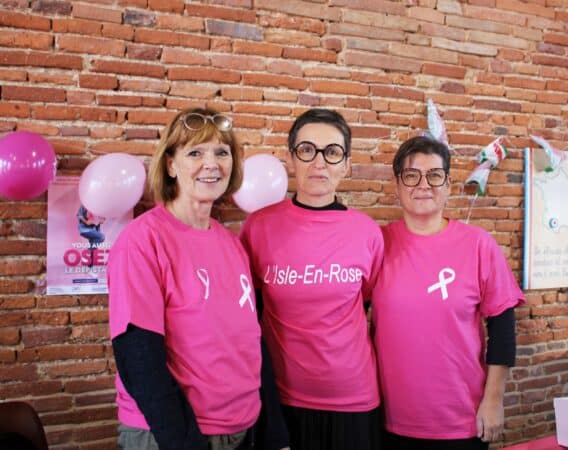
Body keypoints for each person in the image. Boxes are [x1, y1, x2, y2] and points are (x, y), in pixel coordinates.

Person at [108, 107, 289, 450]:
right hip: (175, 434)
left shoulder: (232, 244)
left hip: (243, 428)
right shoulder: (142, 241)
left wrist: (274, 432)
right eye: (195, 152)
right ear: (171, 165)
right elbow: (137, 357)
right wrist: (183, 441)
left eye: (222, 152)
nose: (212, 163)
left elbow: (251, 342)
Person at [240, 108, 384, 450]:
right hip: (280, 400)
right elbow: (249, 317)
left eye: (332, 152)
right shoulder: (258, 228)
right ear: (291, 159)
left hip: (353, 398)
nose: (319, 162)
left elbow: (366, 306)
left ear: (346, 165)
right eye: (307, 150)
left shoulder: (367, 232)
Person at [371, 135, 525, 450]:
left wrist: (493, 400)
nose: (422, 184)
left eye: (434, 175)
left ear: (449, 186)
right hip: (391, 418)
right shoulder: (375, 244)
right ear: (397, 186)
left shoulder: (479, 245)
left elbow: (503, 327)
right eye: (411, 175)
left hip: (462, 420)